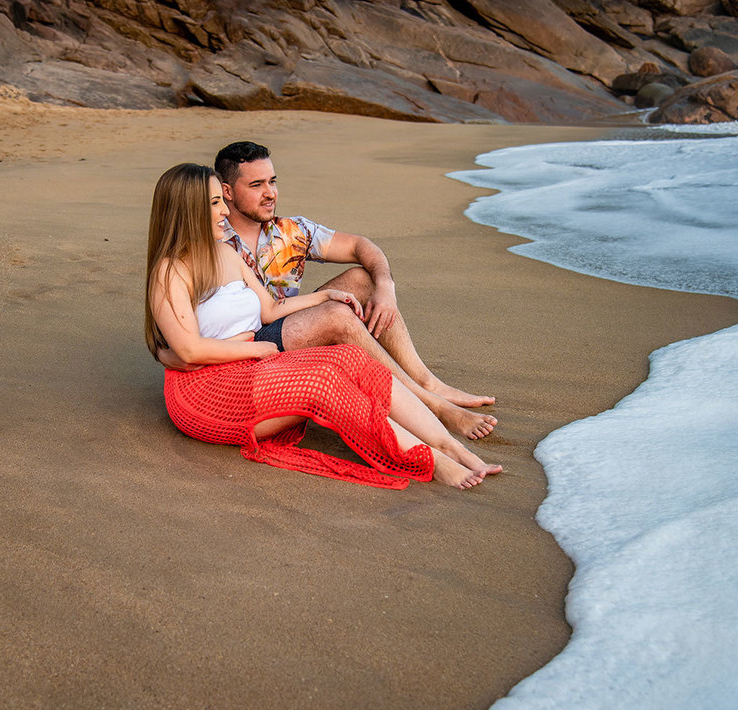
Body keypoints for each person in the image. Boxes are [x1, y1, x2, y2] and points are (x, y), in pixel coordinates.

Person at [145, 162, 502, 490]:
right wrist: (257, 347)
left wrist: (324, 296)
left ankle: (448, 443)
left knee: (348, 358)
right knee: (324, 380)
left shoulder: (226, 253)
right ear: (187, 210)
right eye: (213, 203)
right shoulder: (170, 271)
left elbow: (270, 309)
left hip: (252, 365)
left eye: (221, 202)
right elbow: (188, 349)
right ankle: (431, 459)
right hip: (206, 392)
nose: (224, 209)